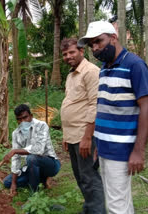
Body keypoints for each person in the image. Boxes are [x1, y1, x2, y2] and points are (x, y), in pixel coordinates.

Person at [78, 20, 148, 214]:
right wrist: (98, 144)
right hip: (105, 148)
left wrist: (138, 151)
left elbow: (146, 107)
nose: (95, 48)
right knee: (117, 201)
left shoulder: (134, 65)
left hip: (122, 150)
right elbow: (104, 109)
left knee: (117, 205)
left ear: (113, 38)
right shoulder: (104, 69)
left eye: (99, 41)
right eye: (92, 44)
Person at [60, 38, 106, 214]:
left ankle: (97, 211)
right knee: (80, 175)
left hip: (85, 135)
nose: (68, 56)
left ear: (81, 51)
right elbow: (70, 104)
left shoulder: (91, 72)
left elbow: (94, 105)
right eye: (65, 54)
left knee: (89, 176)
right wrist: (65, 135)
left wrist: (87, 137)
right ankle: (90, 208)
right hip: (72, 135)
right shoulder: (71, 75)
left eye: (72, 52)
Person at [3, 104, 61, 195]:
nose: (23, 122)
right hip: (32, 166)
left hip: (51, 164)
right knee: (7, 182)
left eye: (25, 117)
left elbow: (38, 149)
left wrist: (15, 151)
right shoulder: (16, 133)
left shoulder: (42, 126)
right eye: (19, 119)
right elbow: (16, 158)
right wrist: (14, 183)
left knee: (32, 158)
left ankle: (34, 194)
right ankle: (41, 179)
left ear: (31, 116)